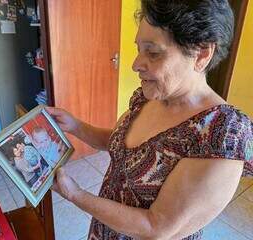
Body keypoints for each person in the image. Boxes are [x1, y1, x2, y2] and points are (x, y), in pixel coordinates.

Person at [47, 0, 253, 239]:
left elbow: (157, 227)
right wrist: (74, 125)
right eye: (139, 49)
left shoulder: (222, 134)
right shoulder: (148, 96)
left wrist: (77, 195)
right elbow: (120, 143)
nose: (136, 64)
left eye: (153, 53)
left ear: (202, 53)